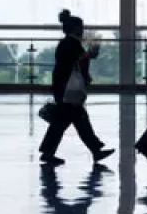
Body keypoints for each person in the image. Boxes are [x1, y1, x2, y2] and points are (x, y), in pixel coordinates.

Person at [39, 9, 114, 166]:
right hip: (67, 90)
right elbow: (77, 61)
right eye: (81, 27)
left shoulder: (68, 43)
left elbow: (74, 63)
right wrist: (90, 54)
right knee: (76, 120)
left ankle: (50, 152)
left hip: (64, 88)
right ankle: (95, 149)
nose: (83, 30)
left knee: (67, 121)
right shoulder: (70, 44)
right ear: (75, 28)